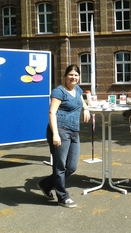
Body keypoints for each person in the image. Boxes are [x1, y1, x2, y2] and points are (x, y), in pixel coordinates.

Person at [37, 64, 91, 208]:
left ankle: (45, 184)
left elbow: (81, 99)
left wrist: (86, 108)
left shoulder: (77, 89)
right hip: (60, 131)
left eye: (76, 75)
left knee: (72, 167)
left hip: (74, 131)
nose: (73, 77)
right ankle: (62, 197)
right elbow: (51, 113)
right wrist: (55, 134)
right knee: (60, 166)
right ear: (65, 76)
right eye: (71, 75)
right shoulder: (59, 92)